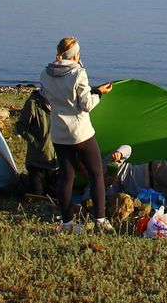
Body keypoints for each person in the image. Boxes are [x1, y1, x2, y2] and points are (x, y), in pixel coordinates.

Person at [39, 36, 113, 233]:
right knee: (96, 173)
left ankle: (67, 222)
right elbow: (86, 104)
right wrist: (99, 93)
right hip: (80, 133)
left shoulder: (45, 73)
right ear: (75, 56)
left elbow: (45, 98)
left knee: (66, 177)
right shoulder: (78, 73)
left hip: (59, 133)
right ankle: (100, 220)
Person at [13, 87, 56, 195]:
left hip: (54, 161)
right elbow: (20, 126)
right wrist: (35, 142)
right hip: (36, 160)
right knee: (37, 192)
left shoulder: (60, 102)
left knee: (55, 192)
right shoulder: (33, 103)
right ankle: (21, 181)